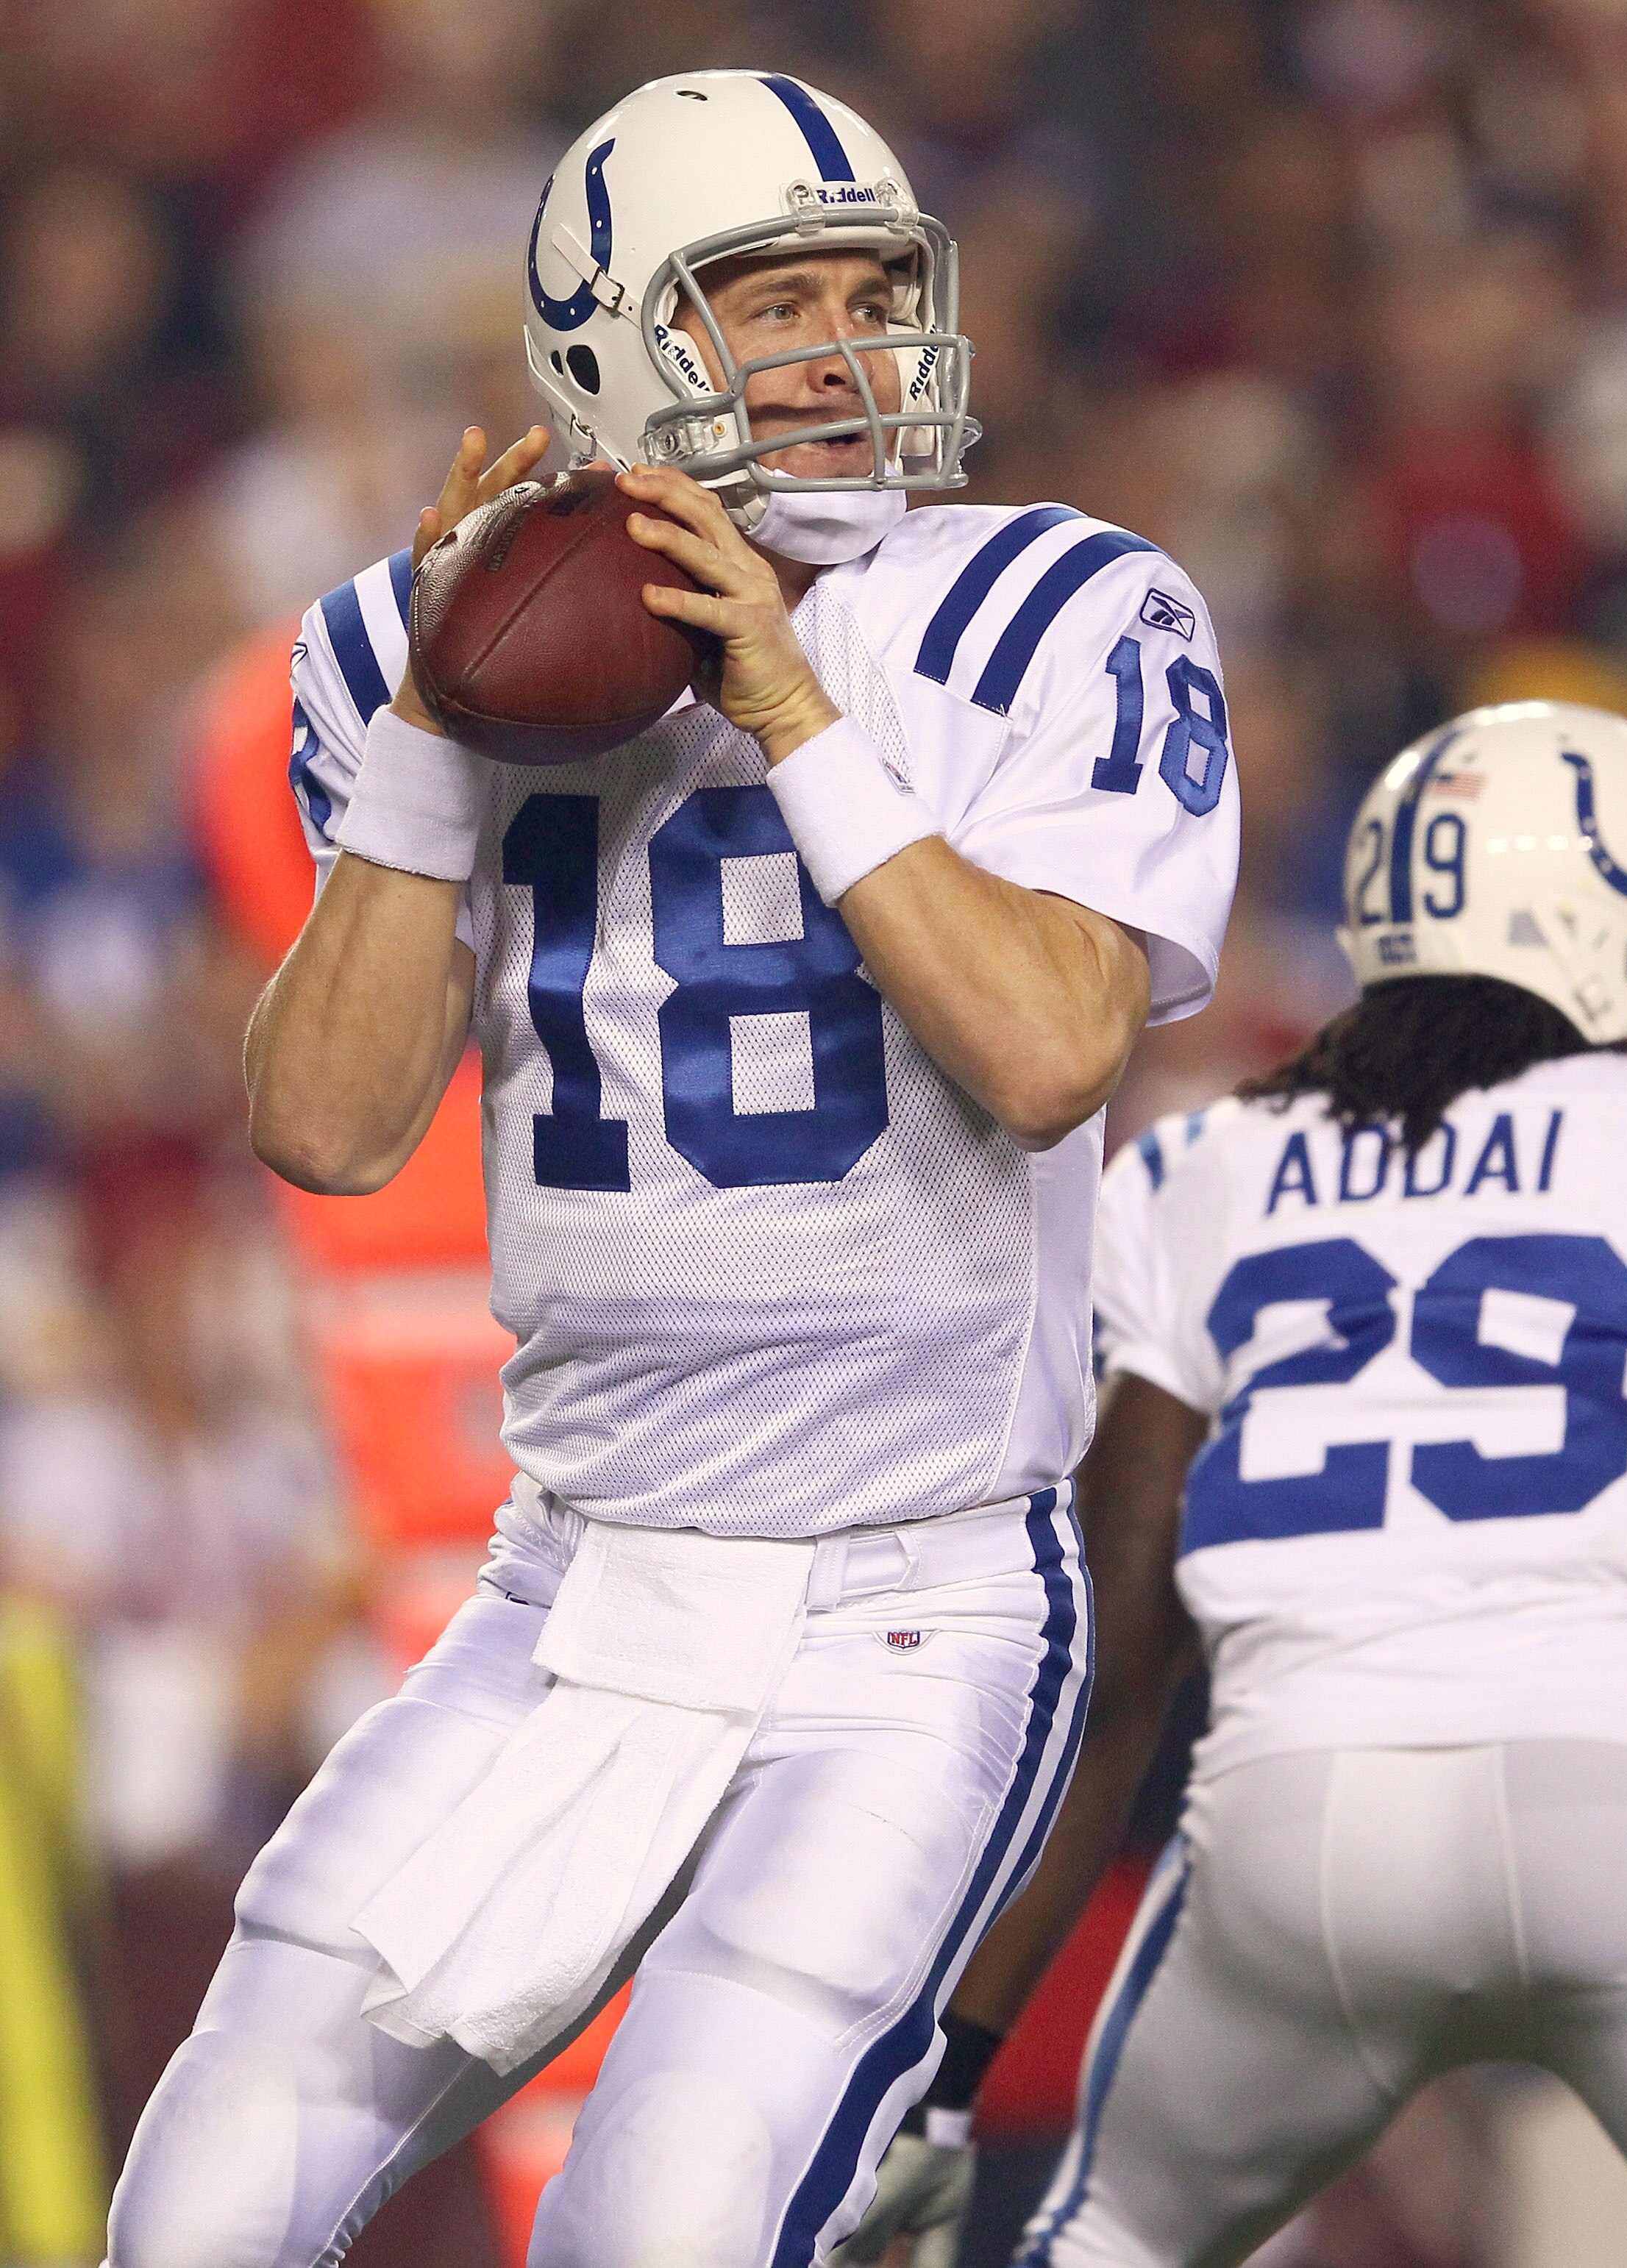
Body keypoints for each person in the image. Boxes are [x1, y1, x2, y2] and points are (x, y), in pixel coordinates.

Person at [104, 69, 1238, 2268]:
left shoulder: (1057, 612)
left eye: (866, 292)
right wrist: (435, 740)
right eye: (765, 301)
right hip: (572, 1591)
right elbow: (328, 1126)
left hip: (908, 1606)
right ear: (620, 340)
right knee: (196, 2218)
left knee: (654, 2240)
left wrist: (797, 714)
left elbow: (1042, 1050)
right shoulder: (411, 644)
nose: (839, 348)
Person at [844, 700, 1627, 2268]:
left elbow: (1112, 1666)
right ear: (1612, 925)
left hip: (1288, 1832)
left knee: (1107, 2234)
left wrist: (949, 2069)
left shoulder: (1212, 1164)